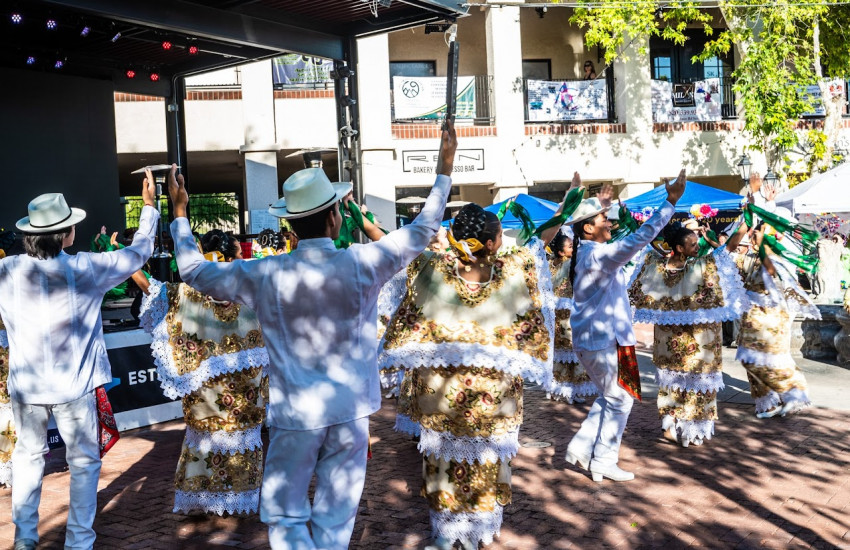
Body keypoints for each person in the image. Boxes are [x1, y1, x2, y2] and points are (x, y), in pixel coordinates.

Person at [166, 122, 457, 549]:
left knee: (285, 512)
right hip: (349, 408)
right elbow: (423, 230)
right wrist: (444, 168)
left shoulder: (264, 272)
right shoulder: (360, 263)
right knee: (337, 514)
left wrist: (179, 214)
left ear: (291, 226)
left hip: (296, 414)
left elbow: (192, 271)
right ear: (336, 216)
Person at [378, 203, 554, 550]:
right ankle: (475, 533)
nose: (504, 240)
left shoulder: (431, 268)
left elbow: (390, 248)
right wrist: (563, 211)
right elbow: (539, 242)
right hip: (494, 396)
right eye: (500, 234)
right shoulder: (513, 268)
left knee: (442, 462)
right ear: (490, 244)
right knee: (486, 462)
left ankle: (445, 535)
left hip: (443, 394)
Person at [0, 176, 158, 550]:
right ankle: (78, 543)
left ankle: (25, 540)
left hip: (28, 387)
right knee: (84, 463)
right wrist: (149, 206)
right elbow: (139, 253)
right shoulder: (86, 268)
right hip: (74, 387)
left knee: (28, 459)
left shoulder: (7, 273)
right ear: (67, 233)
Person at [564, 171, 685, 483]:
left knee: (612, 396)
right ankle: (602, 460)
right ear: (588, 228)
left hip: (606, 339)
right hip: (604, 341)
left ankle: (581, 446)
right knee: (620, 399)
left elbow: (626, 242)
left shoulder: (590, 252)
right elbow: (639, 238)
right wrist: (669, 203)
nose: (609, 221)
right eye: (603, 218)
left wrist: (597, 206)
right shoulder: (598, 256)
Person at [140, 228, 269, 516]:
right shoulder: (249, 288)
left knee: (209, 438)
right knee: (235, 436)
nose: (242, 257)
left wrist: (130, 259)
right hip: (243, 388)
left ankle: (203, 497)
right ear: (227, 257)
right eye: (238, 253)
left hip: (212, 392)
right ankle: (237, 495)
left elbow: (151, 288)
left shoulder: (192, 293)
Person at [629, 218, 750, 447]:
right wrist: (745, 225)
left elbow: (645, 251)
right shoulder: (700, 266)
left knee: (672, 381)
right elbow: (730, 248)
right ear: (679, 248)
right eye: (693, 245)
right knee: (697, 381)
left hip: (668, 340)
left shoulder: (656, 266)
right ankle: (692, 431)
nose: (697, 248)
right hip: (700, 340)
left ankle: (669, 419)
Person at [735, 218, 820, 418]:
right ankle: (771, 402)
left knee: (770, 359)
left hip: (770, 321)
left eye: (754, 234)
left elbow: (771, 273)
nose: (751, 237)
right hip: (755, 320)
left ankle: (789, 395)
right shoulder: (755, 258)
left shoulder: (774, 259)